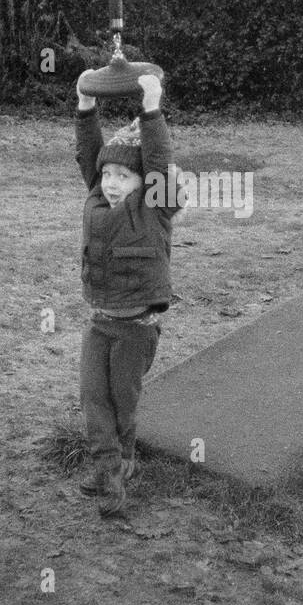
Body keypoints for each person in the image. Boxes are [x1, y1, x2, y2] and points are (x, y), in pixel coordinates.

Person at [74, 71, 183, 515]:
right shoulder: (98, 200)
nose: (113, 182)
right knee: (92, 397)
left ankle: (124, 460)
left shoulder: (155, 207)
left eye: (124, 176)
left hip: (137, 328)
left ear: (144, 184)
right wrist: (85, 106)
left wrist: (151, 108)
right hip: (100, 322)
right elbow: (88, 155)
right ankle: (109, 470)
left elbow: (157, 161)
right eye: (109, 174)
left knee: (123, 401)